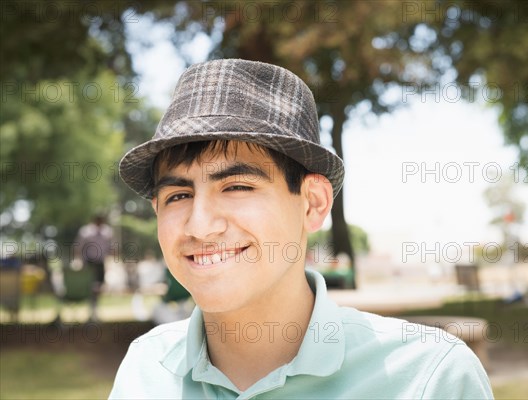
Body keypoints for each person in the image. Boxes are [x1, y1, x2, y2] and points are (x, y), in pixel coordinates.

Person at [110, 59, 493, 399]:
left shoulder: (428, 379)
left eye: (237, 187)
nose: (200, 225)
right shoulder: (145, 370)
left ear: (313, 204)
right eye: (178, 195)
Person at [73, 214, 113, 321]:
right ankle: (91, 311)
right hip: (89, 264)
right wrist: (79, 262)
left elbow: (110, 248)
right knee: (90, 288)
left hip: (100, 264)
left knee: (98, 288)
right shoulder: (86, 232)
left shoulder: (107, 232)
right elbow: (78, 247)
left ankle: (94, 311)